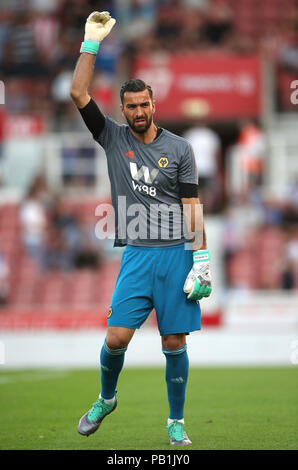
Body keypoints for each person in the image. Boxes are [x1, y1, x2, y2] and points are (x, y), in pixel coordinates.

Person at [70, 11, 212, 446]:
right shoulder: (112, 138)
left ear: (154, 105)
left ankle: (176, 422)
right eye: (130, 106)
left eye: (143, 105)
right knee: (116, 338)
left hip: (176, 254)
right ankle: (106, 398)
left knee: (173, 343)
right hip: (136, 252)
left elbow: (192, 205)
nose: (137, 112)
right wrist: (90, 43)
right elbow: (78, 92)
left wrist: (202, 260)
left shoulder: (181, 148)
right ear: (123, 109)